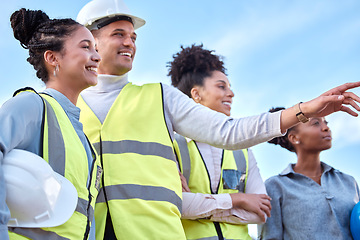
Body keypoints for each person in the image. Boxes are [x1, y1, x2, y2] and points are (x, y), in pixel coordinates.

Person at [76, 0, 360, 239]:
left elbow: (230, 133)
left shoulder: (159, 98)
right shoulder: (70, 106)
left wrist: (305, 110)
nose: (129, 43)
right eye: (118, 34)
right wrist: (234, 200)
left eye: (133, 37)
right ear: (90, 39)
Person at [0, 8, 102, 240]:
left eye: (96, 48)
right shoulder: (31, 105)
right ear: (52, 58)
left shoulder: (82, 138)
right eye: (86, 47)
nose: (97, 56)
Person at [168, 44, 271, 240]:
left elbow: (261, 212)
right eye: (221, 86)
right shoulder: (171, 143)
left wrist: (201, 207)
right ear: (196, 94)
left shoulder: (243, 150)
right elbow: (177, 205)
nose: (231, 93)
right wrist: (238, 199)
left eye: (230, 87)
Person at [260, 107, 360, 240]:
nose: (325, 128)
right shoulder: (275, 186)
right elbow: (271, 237)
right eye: (316, 123)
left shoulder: (348, 182)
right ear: (294, 138)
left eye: (326, 123)